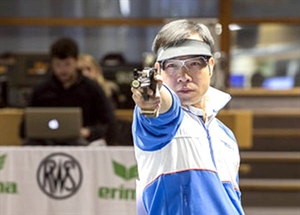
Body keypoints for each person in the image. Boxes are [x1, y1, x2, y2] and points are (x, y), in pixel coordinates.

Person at [131, 19, 245, 215]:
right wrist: (152, 97)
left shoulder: (226, 136)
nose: (183, 76)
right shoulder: (158, 116)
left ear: (210, 65)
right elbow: (163, 107)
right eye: (173, 65)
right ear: (158, 71)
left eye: (193, 63)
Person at [20, 37, 116, 146]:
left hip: (81, 142)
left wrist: (89, 132)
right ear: (52, 64)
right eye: (58, 65)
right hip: (46, 142)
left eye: (67, 64)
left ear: (76, 62)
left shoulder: (92, 88)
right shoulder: (42, 90)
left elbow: (109, 124)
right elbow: (24, 129)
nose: (63, 70)